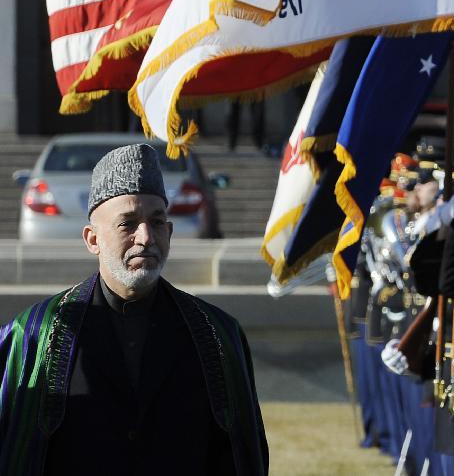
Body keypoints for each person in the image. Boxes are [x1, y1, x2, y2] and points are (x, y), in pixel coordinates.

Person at [0, 143, 269, 476]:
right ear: (92, 239)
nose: (146, 237)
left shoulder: (217, 335)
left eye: (156, 223)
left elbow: (242, 455)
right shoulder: (34, 335)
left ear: (169, 233)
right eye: (127, 224)